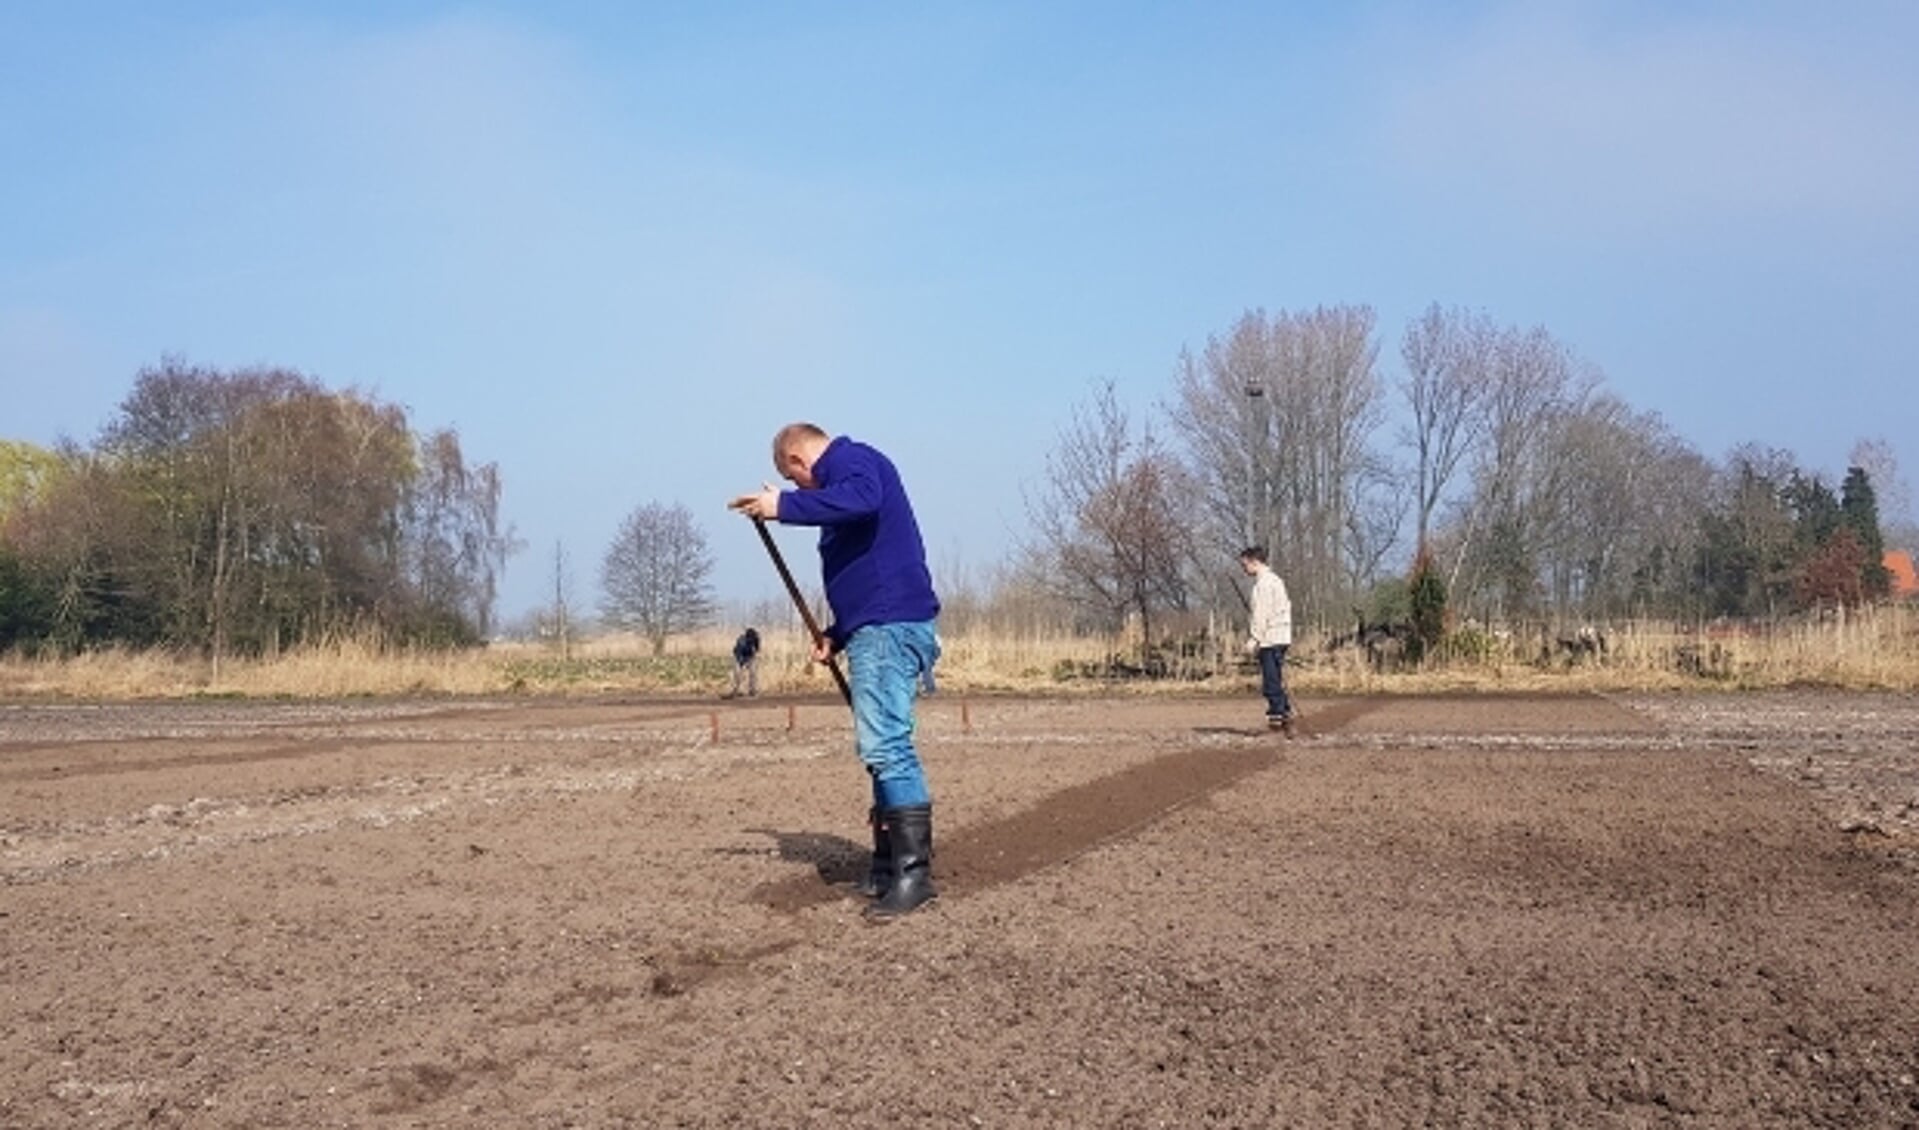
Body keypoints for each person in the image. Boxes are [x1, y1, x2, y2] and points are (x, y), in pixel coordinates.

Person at [730, 423, 942, 919]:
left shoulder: (852, 463)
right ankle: (890, 865)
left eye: (795, 480)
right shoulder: (844, 479)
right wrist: (837, 633)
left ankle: (915, 877)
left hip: (889, 630)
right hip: (875, 626)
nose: (806, 491)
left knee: (886, 745)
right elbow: (866, 572)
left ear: (798, 462)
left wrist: (782, 507)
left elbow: (862, 500)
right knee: (880, 749)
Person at [1239, 546, 1295, 737]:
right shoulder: (1276, 581)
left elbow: (1261, 615)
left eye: (1245, 564)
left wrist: (1254, 639)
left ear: (1255, 561)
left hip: (1270, 639)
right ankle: (1285, 714)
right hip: (1281, 636)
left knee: (1271, 681)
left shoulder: (1262, 585)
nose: (1244, 569)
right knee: (1276, 678)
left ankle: (1277, 718)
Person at [728, 627, 761, 698]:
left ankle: (752, 690)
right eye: (751, 638)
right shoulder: (741, 641)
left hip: (749, 657)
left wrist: (753, 657)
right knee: (737, 675)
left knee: (753, 673)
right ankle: (736, 690)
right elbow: (738, 654)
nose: (752, 639)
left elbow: (757, 649)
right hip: (738, 657)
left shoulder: (756, 639)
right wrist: (742, 665)